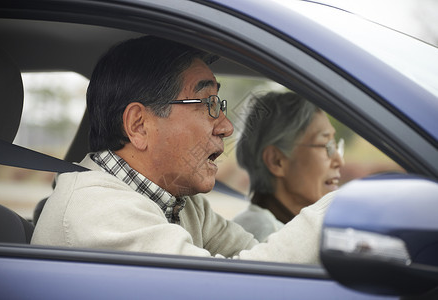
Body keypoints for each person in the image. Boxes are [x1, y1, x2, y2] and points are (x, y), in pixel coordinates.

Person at [31, 36, 335, 264]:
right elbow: (232, 290)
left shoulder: (182, 203)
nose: (226, 127)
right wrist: (334, 212)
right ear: (139, 125)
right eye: (208, 104)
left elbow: (260, 256)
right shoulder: (99, 211)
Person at [233, 92, 344, 241]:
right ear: (276, 161)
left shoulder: (289, 228)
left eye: (336, 145)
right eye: (326, 146)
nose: (339, 161)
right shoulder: (265, 234)